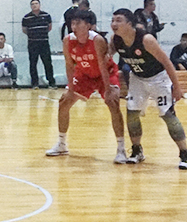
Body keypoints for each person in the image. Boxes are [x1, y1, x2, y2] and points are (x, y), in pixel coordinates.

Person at [110, 9, 187, 169]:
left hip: (158, 78)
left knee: (168, 115)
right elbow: (106, 53)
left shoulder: (146, 39)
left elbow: (167, 62)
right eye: (112, 20)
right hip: (137, 78)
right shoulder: (115, 39)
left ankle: (185, 154)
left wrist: (177, 87)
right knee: (132, 114)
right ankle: (137, 150)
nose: (114, 24)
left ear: (130, 23)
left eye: (118, 20)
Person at [47, 10, 127, 161]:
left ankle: (121, 149)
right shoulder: (68, 40)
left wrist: (108, 89)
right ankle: (62, 144)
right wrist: (71, 89)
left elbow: (102, 66)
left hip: (105, 73)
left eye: (78, 23)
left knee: (112, 102)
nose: (74, 27)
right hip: (84, 74)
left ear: (88, 25)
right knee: (64, 102)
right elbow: (69, 65)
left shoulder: (97, 40)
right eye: (72, 23)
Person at [21, 0, 55, 88]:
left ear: (39, 5)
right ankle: (35, 83)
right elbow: (24, 30)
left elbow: (49, 27)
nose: (34, 5)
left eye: (36, 3)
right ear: (30, 6)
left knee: (47, 63)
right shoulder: (26, 18)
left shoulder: (46, 15)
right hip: (33, 44)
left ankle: (51, 82)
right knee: (33, 63)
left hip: (44, 42)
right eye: (32, 4)